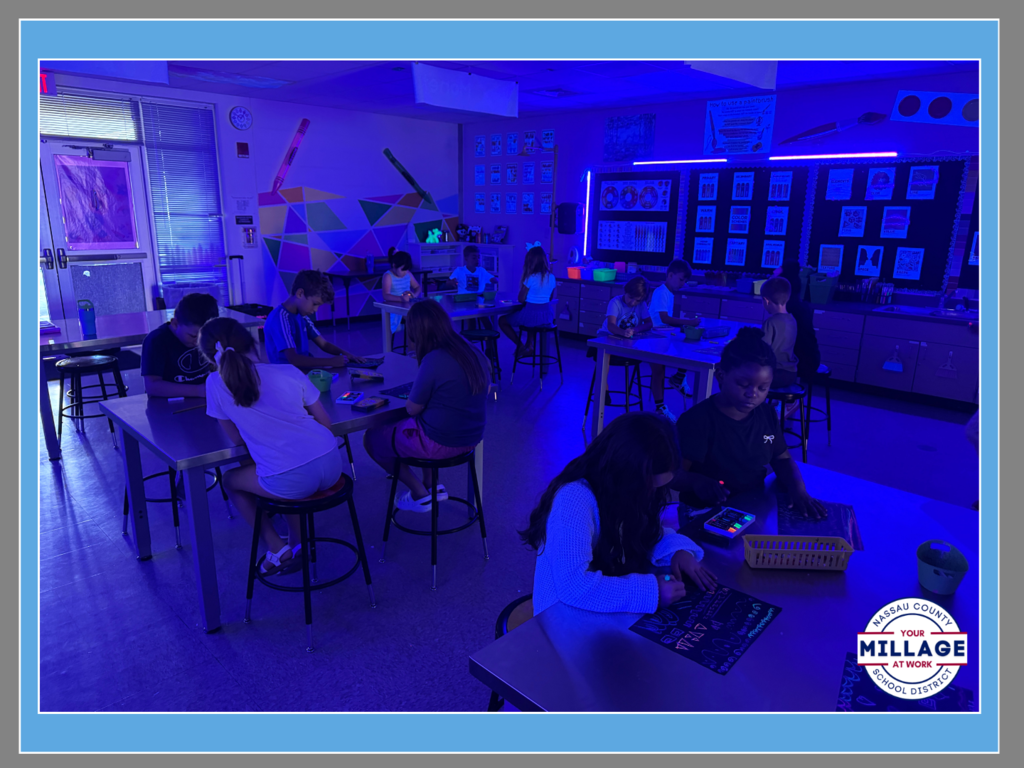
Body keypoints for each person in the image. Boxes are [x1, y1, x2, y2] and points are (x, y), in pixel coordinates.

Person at [522, 412, 716, 615]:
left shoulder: (624, 489)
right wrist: (653, 592)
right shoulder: (573, 498)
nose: (652, 494)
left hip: (605, 611)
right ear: (626, 471)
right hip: (563, 621)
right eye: (650, 487)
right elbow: (574, 587)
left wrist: (678, 551)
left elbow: (647, 532)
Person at [199, 317, 344, 576]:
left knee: (232, 480)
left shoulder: (214, 384)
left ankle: (277, 547)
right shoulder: (288, 371)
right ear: (253, 343)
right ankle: (297, 544)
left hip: (291, 480)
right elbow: (325, 422)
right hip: (332, 464)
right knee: (284, 472)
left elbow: (237, 440)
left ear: (212, 358)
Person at [671, 327, 827, 519]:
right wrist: (696, 481)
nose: (752, 394)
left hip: (752, 506)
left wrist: (798, 489)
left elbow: (782, 459)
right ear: (720, 375)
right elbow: (673, 474)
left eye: (763, 388)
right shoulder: (697, 421)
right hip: (703, 512)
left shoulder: (767, 414)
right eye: (743, 385)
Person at [363, 300, 490, 512]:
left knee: (372, 438)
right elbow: (483, 392)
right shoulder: (471, 350)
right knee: (426, 421)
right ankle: (432, 484)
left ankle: (419, 493)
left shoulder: (433, 359)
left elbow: (412, 409)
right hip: (472, 439)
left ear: (418, 332)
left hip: (439, 443)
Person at [596, 276, 673, 421]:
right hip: (608, 336)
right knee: (606, 355)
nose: (633, 303)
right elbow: (611, 325)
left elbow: (649, 324)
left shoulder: (641, 304)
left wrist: (636, 330)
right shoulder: (615, 302)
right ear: (626, 291)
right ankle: (603, 387)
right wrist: (623, 332)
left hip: (629, 340)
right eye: (631, 298)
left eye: (637, 300)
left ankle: (660, 405)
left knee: (657, 361)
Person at [264, 269, 364, 369]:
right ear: (300, 293)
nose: (315, 310)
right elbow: (293, 359)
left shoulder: (302, 316)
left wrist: (348, 355)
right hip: (288, 376)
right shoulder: (280, 318)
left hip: (304, 372)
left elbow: (324, 344)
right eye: (315, 304)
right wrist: (331, 362)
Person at [141, 292, 220, 398]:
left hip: (205, 400)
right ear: (175, 324)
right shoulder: (157, 341)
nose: (199, 342)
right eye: (193, 336)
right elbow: (152, 386)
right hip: (167, 405)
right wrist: (198, 391)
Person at [649, 259, 700, 394]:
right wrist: (688, 322)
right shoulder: (661, 292)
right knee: (685, 344)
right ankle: (678, 378)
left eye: (685, 281)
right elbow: (664, 319)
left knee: (691, 344)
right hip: (654, 334)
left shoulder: (669, 292)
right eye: (681, 279)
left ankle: (679, 377)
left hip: (663, 332)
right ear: (670, 275)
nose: (683, 284)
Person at [498, 245, 557, 359]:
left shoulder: (530, 277)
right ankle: (529, 345)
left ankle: (520, 346)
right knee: (533, 319)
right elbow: (549, 298)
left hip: (530, 317)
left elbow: (520, 299)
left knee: (502, 321)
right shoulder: (552, 277)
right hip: (547, 317)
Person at [776, 258, 821, 383]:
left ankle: (782, 399)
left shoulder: (786, 311)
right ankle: (790, 401)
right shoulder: (801, 306)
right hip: (811, 358)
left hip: (800, 363)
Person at [760, 277, 799, 390]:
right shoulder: (792, 319)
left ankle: (754, 406)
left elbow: (763, 351)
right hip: (791, 373)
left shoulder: (770, 322)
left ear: (766, 301)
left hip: (775, 374)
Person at [382, 247, 423, 339]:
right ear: (394, 265)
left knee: (422, 316)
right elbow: (385, 295)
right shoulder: (388, 276)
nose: (405, 273)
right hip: (395, 308)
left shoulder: (408, 274)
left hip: (408, 306)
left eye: (406, 270)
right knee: (413, 320)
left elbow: (417, 287)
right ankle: (411, 351)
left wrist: (414, 295)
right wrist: (401, 299)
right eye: (402, 270)